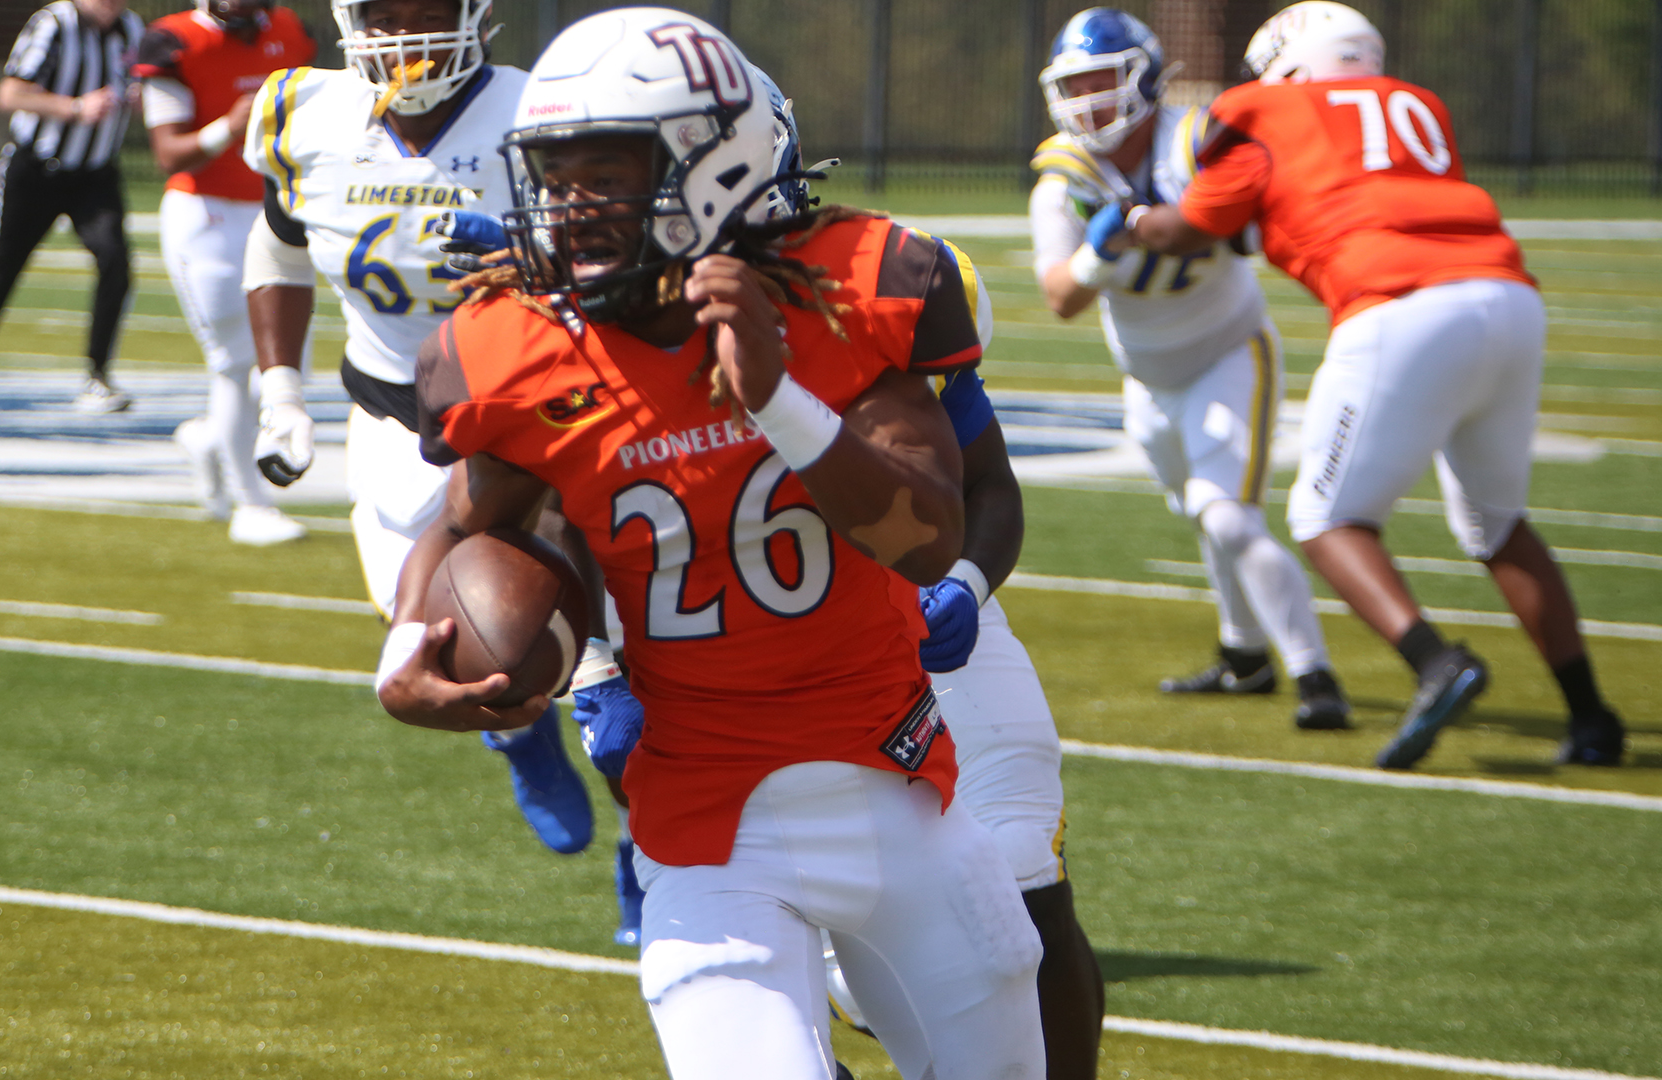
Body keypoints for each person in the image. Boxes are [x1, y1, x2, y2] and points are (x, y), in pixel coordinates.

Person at [380, 10, 1047, 1079]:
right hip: (704, 830)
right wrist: (402, 655)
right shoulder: (514, 350)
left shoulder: (851, 289)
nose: (572, 209)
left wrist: (778, 400)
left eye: (609, 172)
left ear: (716, 157)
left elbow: (927, 541)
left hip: (901, 792)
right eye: (555, 177)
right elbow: (465, 530)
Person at [1115, 1, 1627, 768]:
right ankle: (1592, 718)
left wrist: (1135, 221)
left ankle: (1434, 662)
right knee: (1497, 525)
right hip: (1509, 297)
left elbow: (1195, 224)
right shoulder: (1416, 105)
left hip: (1400, 307)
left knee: (1326, 518)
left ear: (1291, 63)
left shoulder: (1271, 110)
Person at [240, 0, 598, 852]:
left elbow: (627, 258)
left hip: (541, 409)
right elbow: (278, 246)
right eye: (384, 11)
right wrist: (280, 390)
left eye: (427, 8)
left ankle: (645, 835)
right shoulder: (302, 111)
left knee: (608, 656)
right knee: (453, 634)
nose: (405, 32)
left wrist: (542, 261)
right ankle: (519, 738)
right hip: (397, 411)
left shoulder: (545, 108)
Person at [1032, 8, 1348, 731]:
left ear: (1141, 78)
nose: (1089, 102)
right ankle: (1245, 656)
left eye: (1102, 83)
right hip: (1146, 377)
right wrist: (1097, 252)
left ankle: (1315, 674)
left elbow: (1258, 214)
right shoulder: (1064, 178)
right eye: (1074, 85)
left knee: (1228, 515)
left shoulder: (1195, 141)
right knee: (1206, 516)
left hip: (1228, 352)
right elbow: (1061, 297)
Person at [133, 0, 315, 546]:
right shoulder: (173, 40)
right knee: (235, 361)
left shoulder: (289, 29)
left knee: (286, 359)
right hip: (205, 214)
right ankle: (251, 504)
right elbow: (168, 154)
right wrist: (229, 128)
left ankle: (210, 439)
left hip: (271, 211)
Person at [0, 0, 145, 418]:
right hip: (37, 167)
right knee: (3, 267)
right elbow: (9, 94)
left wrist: (140, 98)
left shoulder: (131, 30)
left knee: (116, 260)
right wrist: (75, 107)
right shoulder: (54, 24)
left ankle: (97, 376)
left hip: (95, 174)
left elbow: (136, 83)